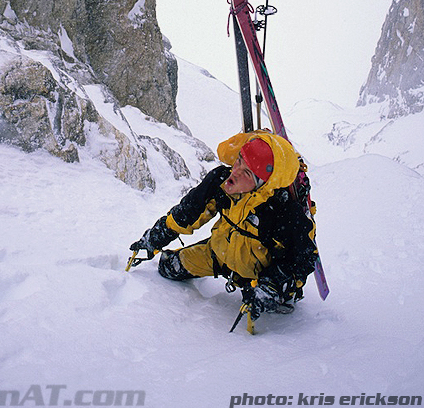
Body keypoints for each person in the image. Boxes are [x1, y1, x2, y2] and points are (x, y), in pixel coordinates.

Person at [128, 129, 318, 324]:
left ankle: (280, 297)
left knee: (273, 302)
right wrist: (155, 237)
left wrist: (272, 284)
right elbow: (188, 213)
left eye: (246, 173)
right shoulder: (221, 181)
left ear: (262, 184)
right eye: (239, 161)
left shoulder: (283, 212)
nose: (234, 172)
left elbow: (304, 258)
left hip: (259, 275)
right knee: (167, 267)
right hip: (219, 254)